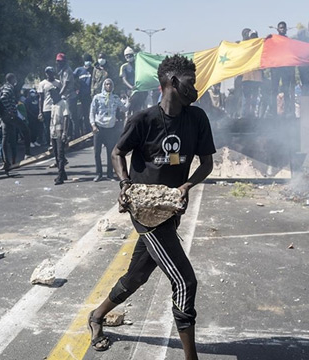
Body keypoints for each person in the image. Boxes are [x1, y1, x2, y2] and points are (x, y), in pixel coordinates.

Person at [88, 55, 216, 360]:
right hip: (145, 212)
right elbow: (118, 153)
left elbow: (207, 163)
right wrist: (125, 185)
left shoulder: (196, 119)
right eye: (190, 82)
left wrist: (186, 186)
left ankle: (97, 315)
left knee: (137, 275)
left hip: (170, 210)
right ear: (172, 82)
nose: (195, 89)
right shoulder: (143, 120)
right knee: (184, 281)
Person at [90, 78, 126, 182]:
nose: (108, 86)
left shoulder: (115, 98)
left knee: (110, 152)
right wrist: (93, 125)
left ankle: (110, 174)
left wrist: (129, 99)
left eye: (110, 84)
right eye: (106, 84)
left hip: (110, 128)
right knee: (97, 152)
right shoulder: (97, 98)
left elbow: (124, 108)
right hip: (99, 127)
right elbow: (92, 112)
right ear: (103, 86)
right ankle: (98, 174)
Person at [0, 73, 31, 173]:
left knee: (5, 137)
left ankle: (6, 161)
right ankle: (27, 153)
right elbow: (3, 98)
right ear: (12, 79)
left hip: (4, 116)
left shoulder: (2, 87)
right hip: (10, 116)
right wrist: (10, 110)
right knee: (26, 130)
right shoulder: (9, 87)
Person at [270, 21, 296, 117]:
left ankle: (287, 111)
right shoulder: (273, 40)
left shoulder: (289, 41)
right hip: (276, 68)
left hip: (286, 69)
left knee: (286, 90)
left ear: (286, 29)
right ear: (277, 29)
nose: (282, 29)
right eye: (281, 28)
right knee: (274, 90)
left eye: (284, 28)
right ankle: (273, 112)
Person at [48, 87, 70, 185]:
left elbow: (66, 118)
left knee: (60, 155)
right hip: (53, 131)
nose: (52, 97)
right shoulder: (53, 105)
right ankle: (63, 174)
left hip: (60, 131)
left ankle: (60, 176)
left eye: (53, 94)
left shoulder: (63, 103)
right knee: (56, 154)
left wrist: (65, 133)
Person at [241, 30, 263, 118]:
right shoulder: (245, 46)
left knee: (254, 97)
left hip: (257, 77)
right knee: (246, 97)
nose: (254, 37)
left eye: (255, 36)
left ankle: (252, 114)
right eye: (252, 36)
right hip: (246, 77)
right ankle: (244, 115)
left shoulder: (260, 46)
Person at [120, 47, 148, 118]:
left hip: (140, 91)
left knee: (139, 110)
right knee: (128, 111)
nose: (129, 57)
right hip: (130, 92)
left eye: (130, 55)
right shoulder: (124, 67)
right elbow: (124, 79)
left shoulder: (139, 65)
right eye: (127, 55)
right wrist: (131, 87)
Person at [38, 67, 62, 149]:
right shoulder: (42, 84)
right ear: (46, 73)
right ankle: (49, 144)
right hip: (46, 108)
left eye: (51, 72)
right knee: (47, 127)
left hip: (56, 107)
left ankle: (58, 142)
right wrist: (40, 112)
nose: (49, 74)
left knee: (57, 125)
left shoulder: (58, 83)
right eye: (48, 73)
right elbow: (41, 98)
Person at [56, 53, 78, 139]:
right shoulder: (61, 71)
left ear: (64, 61)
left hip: (70, 96)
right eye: (58, 61)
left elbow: (65, 84)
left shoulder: (67, 70)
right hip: (65, 97)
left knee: (72, 117)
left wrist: (59, 95)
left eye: (60, 61)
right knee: (66, 117)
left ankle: (75, 136)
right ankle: (69, 135)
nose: (59, 63)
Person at [74, 53, 94, 135]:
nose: (88, 62)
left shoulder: (93, 70)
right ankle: (85, 132)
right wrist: (76, 88)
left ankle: (91, 130)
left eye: (89, 61)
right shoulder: (79, 70)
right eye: (87, 61)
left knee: (91, 114)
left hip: (91, 96)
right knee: (83, 115)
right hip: (81, 96)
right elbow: (71, 79)